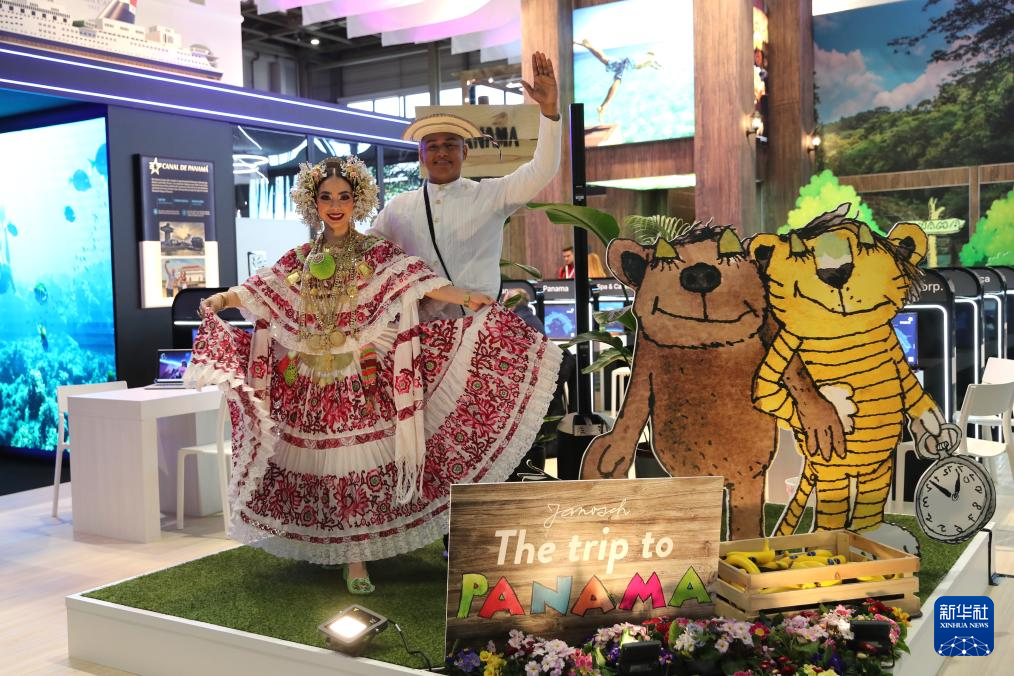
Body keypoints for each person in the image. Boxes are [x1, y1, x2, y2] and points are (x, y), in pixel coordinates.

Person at [188, 156, 561, 594]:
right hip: (311, 380)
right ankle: (339, 548)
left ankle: (357, 558)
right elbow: (261, 289)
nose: (335, 206)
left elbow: (417, 282)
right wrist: (223, 299)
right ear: (313, 203)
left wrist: (466, 296)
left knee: (358, 462)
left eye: (344, 197)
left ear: (357, 201)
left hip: (364, 377)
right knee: (322, 465)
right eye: (326, 197)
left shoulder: (376, 252)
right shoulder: (302, 258)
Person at [370, 51, 562, 321]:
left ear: (465, 152)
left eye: (450, 145)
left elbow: (542, 170)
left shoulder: (491, 195)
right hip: (416, 333)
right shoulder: (397, 208)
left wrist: (549, 111)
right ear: (421, 156)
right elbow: (367, 252)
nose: (441, 152)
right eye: (432, 147)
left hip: (478, 330)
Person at [574, 38, 661, 121]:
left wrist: (656, 66)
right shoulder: (649, 59)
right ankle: (603, 107)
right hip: (628, 63)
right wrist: (659, 66)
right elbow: (653, 62)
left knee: (603, 58)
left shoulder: (647, 60)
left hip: (624, 61)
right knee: (618, 80)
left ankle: (587, 46)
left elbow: (652, 64)